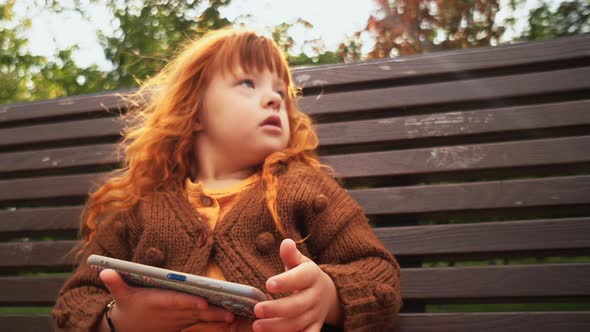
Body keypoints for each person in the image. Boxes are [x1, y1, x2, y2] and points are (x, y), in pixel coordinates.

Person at [52, 28, 402, 332]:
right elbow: (76, 300)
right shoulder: (142, 207)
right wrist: (120, 321)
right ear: (195, 111)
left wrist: (328, 298)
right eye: (247, 83)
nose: (273, 99)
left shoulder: (305, 189)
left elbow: (379, 273)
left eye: (281, 92)